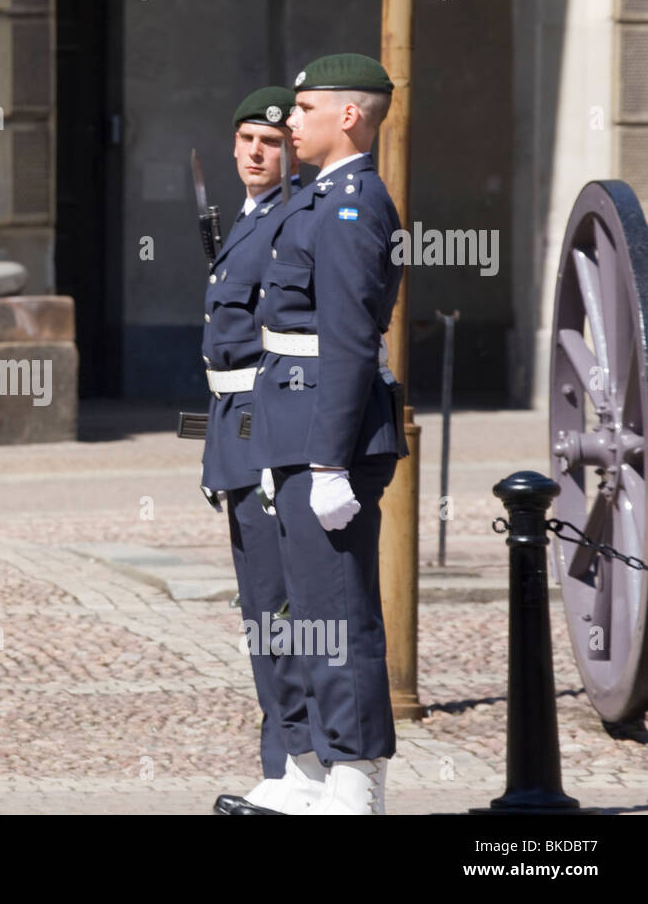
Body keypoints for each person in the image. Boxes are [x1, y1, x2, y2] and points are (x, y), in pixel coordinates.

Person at [247, 53, 407, 814]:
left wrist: (330, 460)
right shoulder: (318, 198)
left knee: (339, 613)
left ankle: (357, 776)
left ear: (349, 116)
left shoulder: (352, 205)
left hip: (325, 435)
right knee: (307, 612)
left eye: (305, 109)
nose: (290, 122)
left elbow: (346, 340)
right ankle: (315, 769)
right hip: (295, 428)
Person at [193, 87, 316, 816]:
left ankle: (298, 769)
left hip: (264, 430)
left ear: (291, 149)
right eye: (244, 140)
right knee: (262, 614)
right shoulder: (247, 219)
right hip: (232, 429)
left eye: (268, 143)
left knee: (281, 612)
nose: (254, 153)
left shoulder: (289, 222)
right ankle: (285, 768)